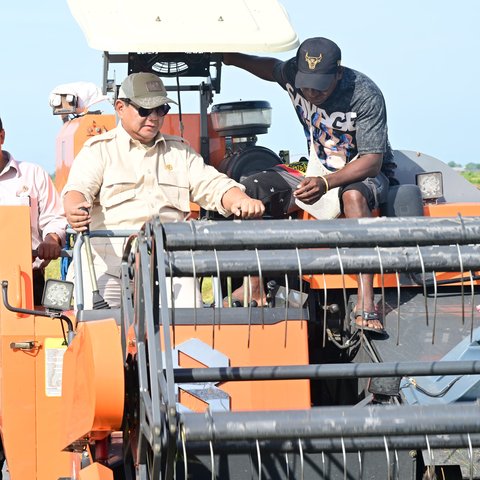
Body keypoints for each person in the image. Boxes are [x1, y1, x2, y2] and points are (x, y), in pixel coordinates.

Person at [223, 37, 397, 333]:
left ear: (338, 75)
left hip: (360, 172)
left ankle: (366, 301)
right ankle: (255, 284)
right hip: (317, 166)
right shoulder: (292, 74)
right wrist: (230, 56)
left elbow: (372, 161)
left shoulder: (364, 94)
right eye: (306, 86)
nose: (312, 93)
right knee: (253, 188)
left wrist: (327, 183)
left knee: (353, 196)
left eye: (320, 87)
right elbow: (271, 68)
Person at [63, 72, 265, 309]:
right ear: (120, 107)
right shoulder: (98, 151)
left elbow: (212, 184)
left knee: (192, 328)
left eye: (161, 110)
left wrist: (239, 199)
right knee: (96, 331)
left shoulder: (180, 152)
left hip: (170, 268)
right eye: (145, 110)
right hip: (109, 269)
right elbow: (76, 191)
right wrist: (74, 209)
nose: (154, 117)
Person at [0, 116, 67, 305]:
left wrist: (51, 239)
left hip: (27, 278)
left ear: (2, 136)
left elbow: (54, 216)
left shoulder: (32, 175)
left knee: (32, 333)